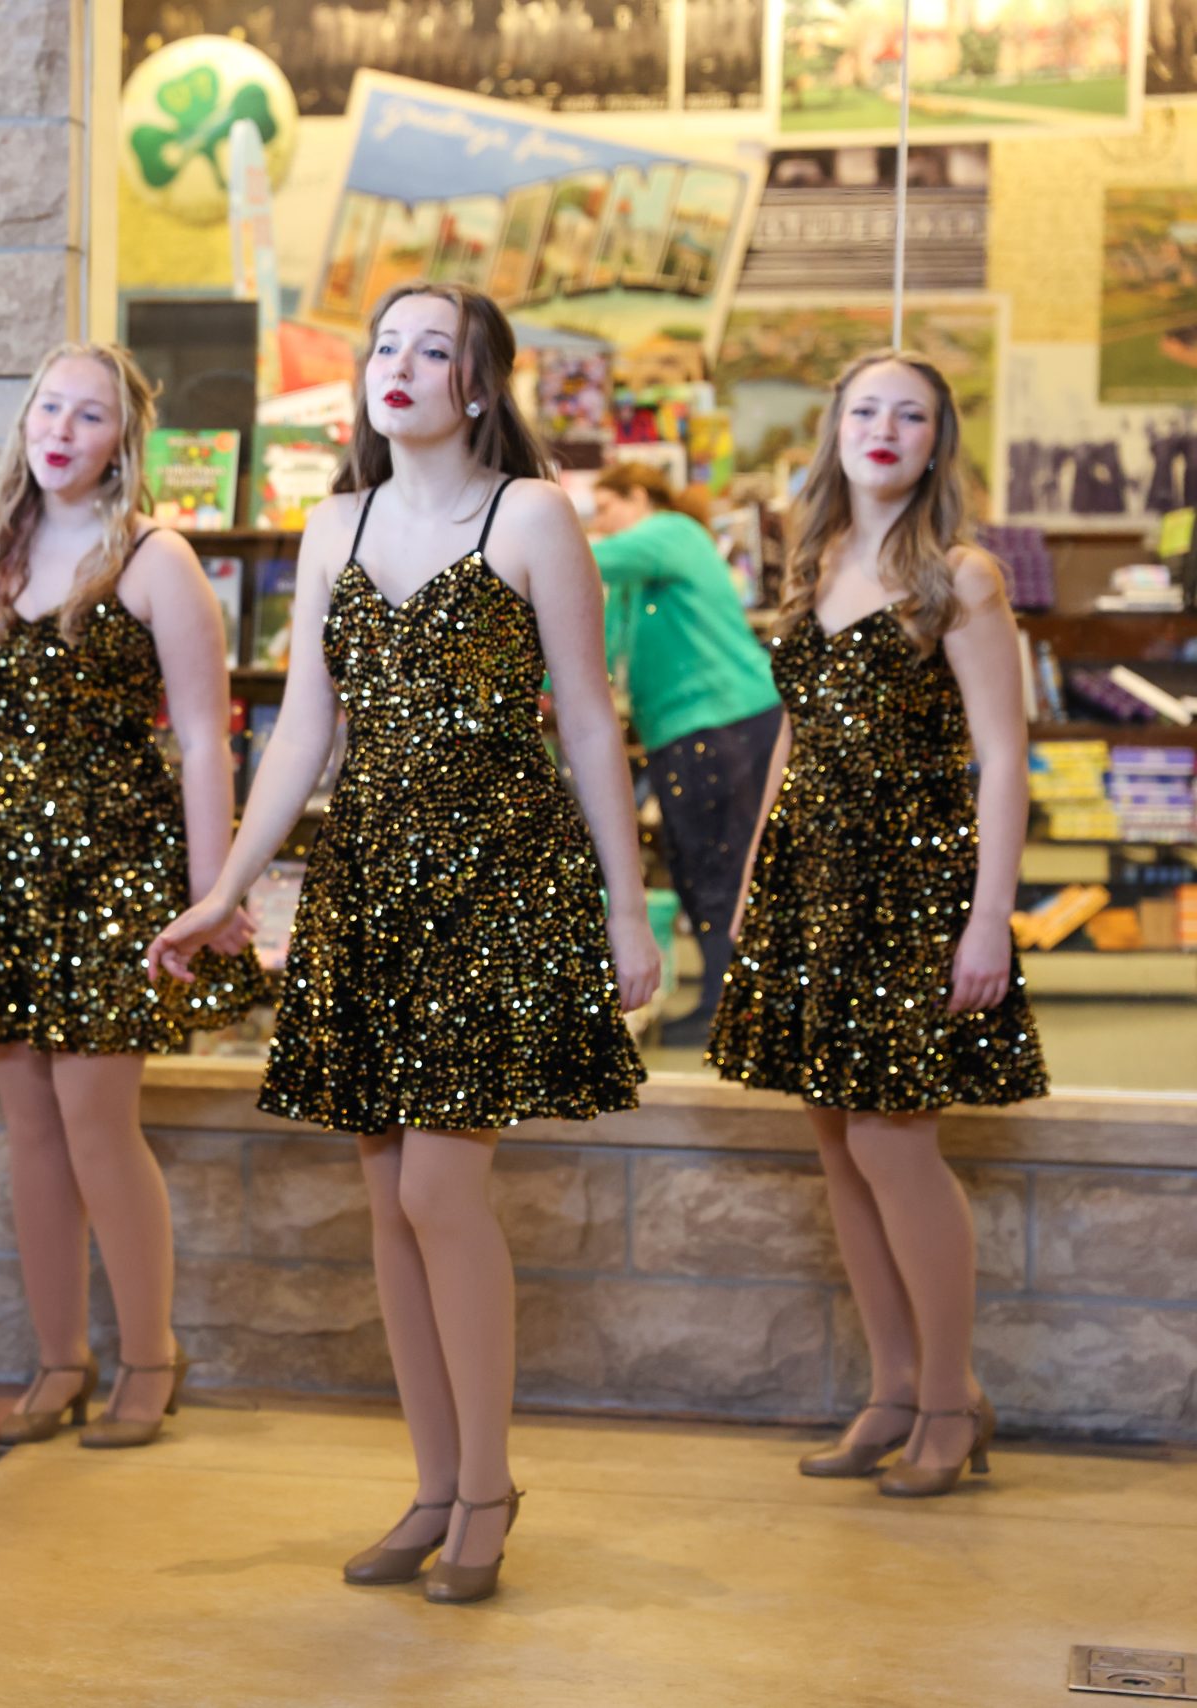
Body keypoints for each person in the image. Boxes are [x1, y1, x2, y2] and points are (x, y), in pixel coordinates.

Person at [149, 282, 657, 1606]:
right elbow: (302, 734)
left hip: (499, 882)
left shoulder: (532, 515)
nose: (401, 366)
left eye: (435, 350)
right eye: (387, 345)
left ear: (478, 385)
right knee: (387, 1198)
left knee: (438, 1192)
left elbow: (588, 721)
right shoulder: (334, 525)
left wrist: (624, 906)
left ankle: (486, 1487)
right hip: (369, 883)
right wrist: (226, 888)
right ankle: (433, 1486)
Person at [0, 342, 265, 1450]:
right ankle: (62, 1359)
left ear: (124, 440)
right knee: (31, 1130)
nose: (60, 430)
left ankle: (150, 1357)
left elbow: (203, 739)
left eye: (88, 415)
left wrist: (213, 889)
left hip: (114, 866)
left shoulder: (155, 559)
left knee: (98, 1126)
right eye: (48, 408)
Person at [709, 350, 1044, 1498]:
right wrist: (753, 887)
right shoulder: (816, 560)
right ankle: (891, 1390)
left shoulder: (961, 576)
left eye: (910, 414)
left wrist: (988, 920)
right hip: (810, 888)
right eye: (865, 409)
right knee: (837, 1146)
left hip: (911, 890)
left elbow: (1004, 759)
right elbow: (793, 738)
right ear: (836, 430)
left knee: (894, 1146)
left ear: (937, 442)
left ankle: (949, 1400)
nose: (884, 428)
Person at [587, 462, 783, 1045]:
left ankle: (734, 1010)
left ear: (640, 496)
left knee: (721, 864)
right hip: (690, 729)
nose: (602, 524)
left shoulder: (671, 532)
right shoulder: (635, 582)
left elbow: (585, 558)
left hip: (724, 720)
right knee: (700, 865)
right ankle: (728, 1003)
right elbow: (603, 650)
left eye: (607, 508)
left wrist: (526, 538)